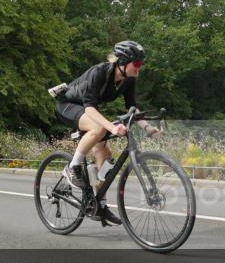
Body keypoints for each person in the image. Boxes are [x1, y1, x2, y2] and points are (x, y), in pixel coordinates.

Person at [54, 41, 160, 226]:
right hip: (68, 106)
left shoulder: (129, 80)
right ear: (123, 62)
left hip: (87, 109)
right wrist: (112, 128)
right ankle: (73, 167)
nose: (139, 68)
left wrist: (148, 128)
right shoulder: (100, 72)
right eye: (137, 64)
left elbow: (132, 108)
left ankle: (98, 205)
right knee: (100, 128)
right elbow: (90, 109)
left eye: (141, 65)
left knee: (106, 156)